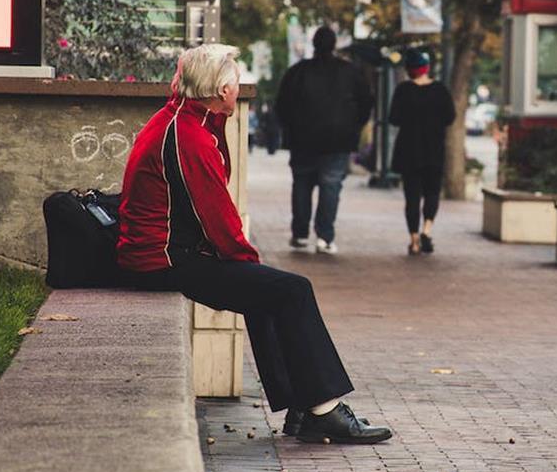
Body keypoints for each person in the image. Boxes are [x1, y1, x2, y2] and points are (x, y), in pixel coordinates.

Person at [116, 44, 392, 444]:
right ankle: (324, 411)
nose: (239, 88)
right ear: (220, 90)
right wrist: (248, 262)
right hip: (162, 260)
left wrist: (250, 269)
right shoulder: (187, 135)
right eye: (234, 82)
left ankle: (302, 408)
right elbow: (216, 214)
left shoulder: (187, 121)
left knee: (268, 290)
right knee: (291, 289)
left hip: (167, 252)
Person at [275, 27, 373, 255]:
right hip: (338, 140)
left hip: (302, 140)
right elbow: (366, 103)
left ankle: (300, 234)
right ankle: (325, 236)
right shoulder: (350, 73)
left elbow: (282, 105)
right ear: (334, 45)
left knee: (301, 185)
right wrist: (353, 127)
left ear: (314, 44)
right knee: (331, 186)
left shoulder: (297, 72)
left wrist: (292, 128)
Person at [389, 50, 455, 255]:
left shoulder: (403, 90)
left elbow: (394, 118)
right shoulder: (440, 91)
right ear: (427, 68)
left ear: (409, 70)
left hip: (409, 152)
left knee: (412, 198)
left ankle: (414, 240)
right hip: (434, 150)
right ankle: (427, 229)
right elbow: (450, 117)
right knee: (432, 193)